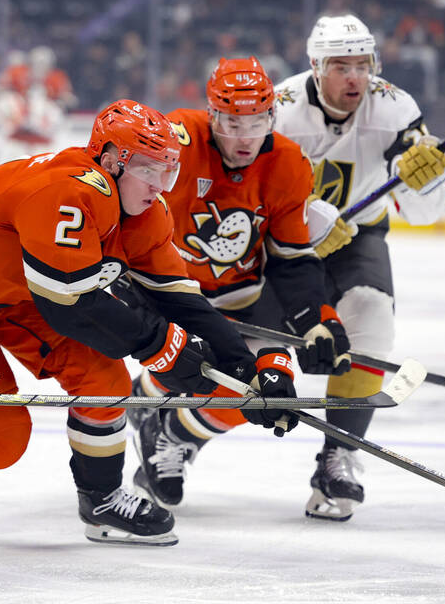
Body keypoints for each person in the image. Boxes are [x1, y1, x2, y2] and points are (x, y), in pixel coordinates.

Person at [0, 99, 296, 546]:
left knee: (105, 381)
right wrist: (159, 347)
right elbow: (69, 306)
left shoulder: (145, 212)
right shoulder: (69, 191)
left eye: (168, 170)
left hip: (23, 294)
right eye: (149, 168)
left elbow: (181, 300)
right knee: (0, 439)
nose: (159, 186)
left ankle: (102, 501)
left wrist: (246, 371)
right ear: (110, 160)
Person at [125, 56, 354, 518]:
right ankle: (151, 394)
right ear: (212, 115)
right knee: (194, 365)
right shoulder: (179, 142)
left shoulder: (288, 162)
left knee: (269, 385)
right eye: (232, 122)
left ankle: (171, 432)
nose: (245, 137)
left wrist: (319, 321)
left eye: (257, 122)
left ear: (272, 116)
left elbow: (291, 262)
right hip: (170, 296)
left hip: (242, 301)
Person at [272, 14, 445, 518]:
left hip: (359, 236)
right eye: (341, 66)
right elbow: (249, 191)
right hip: (284, 239)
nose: (355, 77)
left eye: (363, 64)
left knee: (372, 318)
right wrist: (307, 221)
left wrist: (428, 181)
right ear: (314, 66)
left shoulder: (396, 108)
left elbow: (424, 214)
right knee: (254, 344)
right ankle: (176, 433)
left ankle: (338, 456)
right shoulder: (280, 109)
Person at [0, 45, 76, 161]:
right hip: (18, 136)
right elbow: (1, 91)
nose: (40, 67)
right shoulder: (18, 73)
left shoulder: (56, 79)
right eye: (37, 63)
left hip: (43, 138)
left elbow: (69, 101)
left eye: (43, 64)